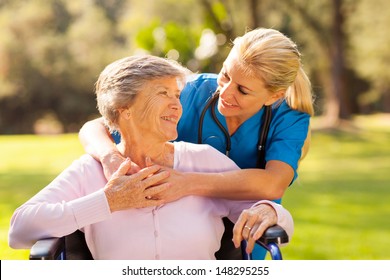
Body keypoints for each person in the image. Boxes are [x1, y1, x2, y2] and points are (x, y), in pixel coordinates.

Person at [8, 55, 293, 260]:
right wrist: (108, 202)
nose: (176, 105)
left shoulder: (204, 160)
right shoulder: (90, 172)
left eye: (177, 95)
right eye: (163, 93)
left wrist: (271, 211)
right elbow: (19, 230)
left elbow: (279, 220)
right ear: (124, 108)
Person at [78, 28, 314, 259]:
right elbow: (96, 127)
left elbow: (273, 184)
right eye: (226, 75)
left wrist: (187, 182)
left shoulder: (289, 117)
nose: (226, 92)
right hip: (186, 224)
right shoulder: (192, 91)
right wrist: (110, 157)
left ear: (274, 95)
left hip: (245, 224)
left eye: (242, 90)